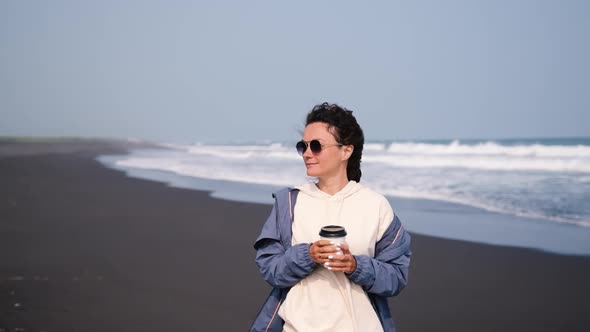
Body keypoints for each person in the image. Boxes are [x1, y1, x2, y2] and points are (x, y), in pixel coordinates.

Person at [250, 103, 411, 332]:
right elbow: (270, 268)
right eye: (302, 146)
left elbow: (396, 277)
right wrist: (308, 255)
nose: (307, 153)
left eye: (316, 146)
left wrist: (355, 265)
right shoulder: (289, 203)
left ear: (346, 150)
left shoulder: (376, 206)